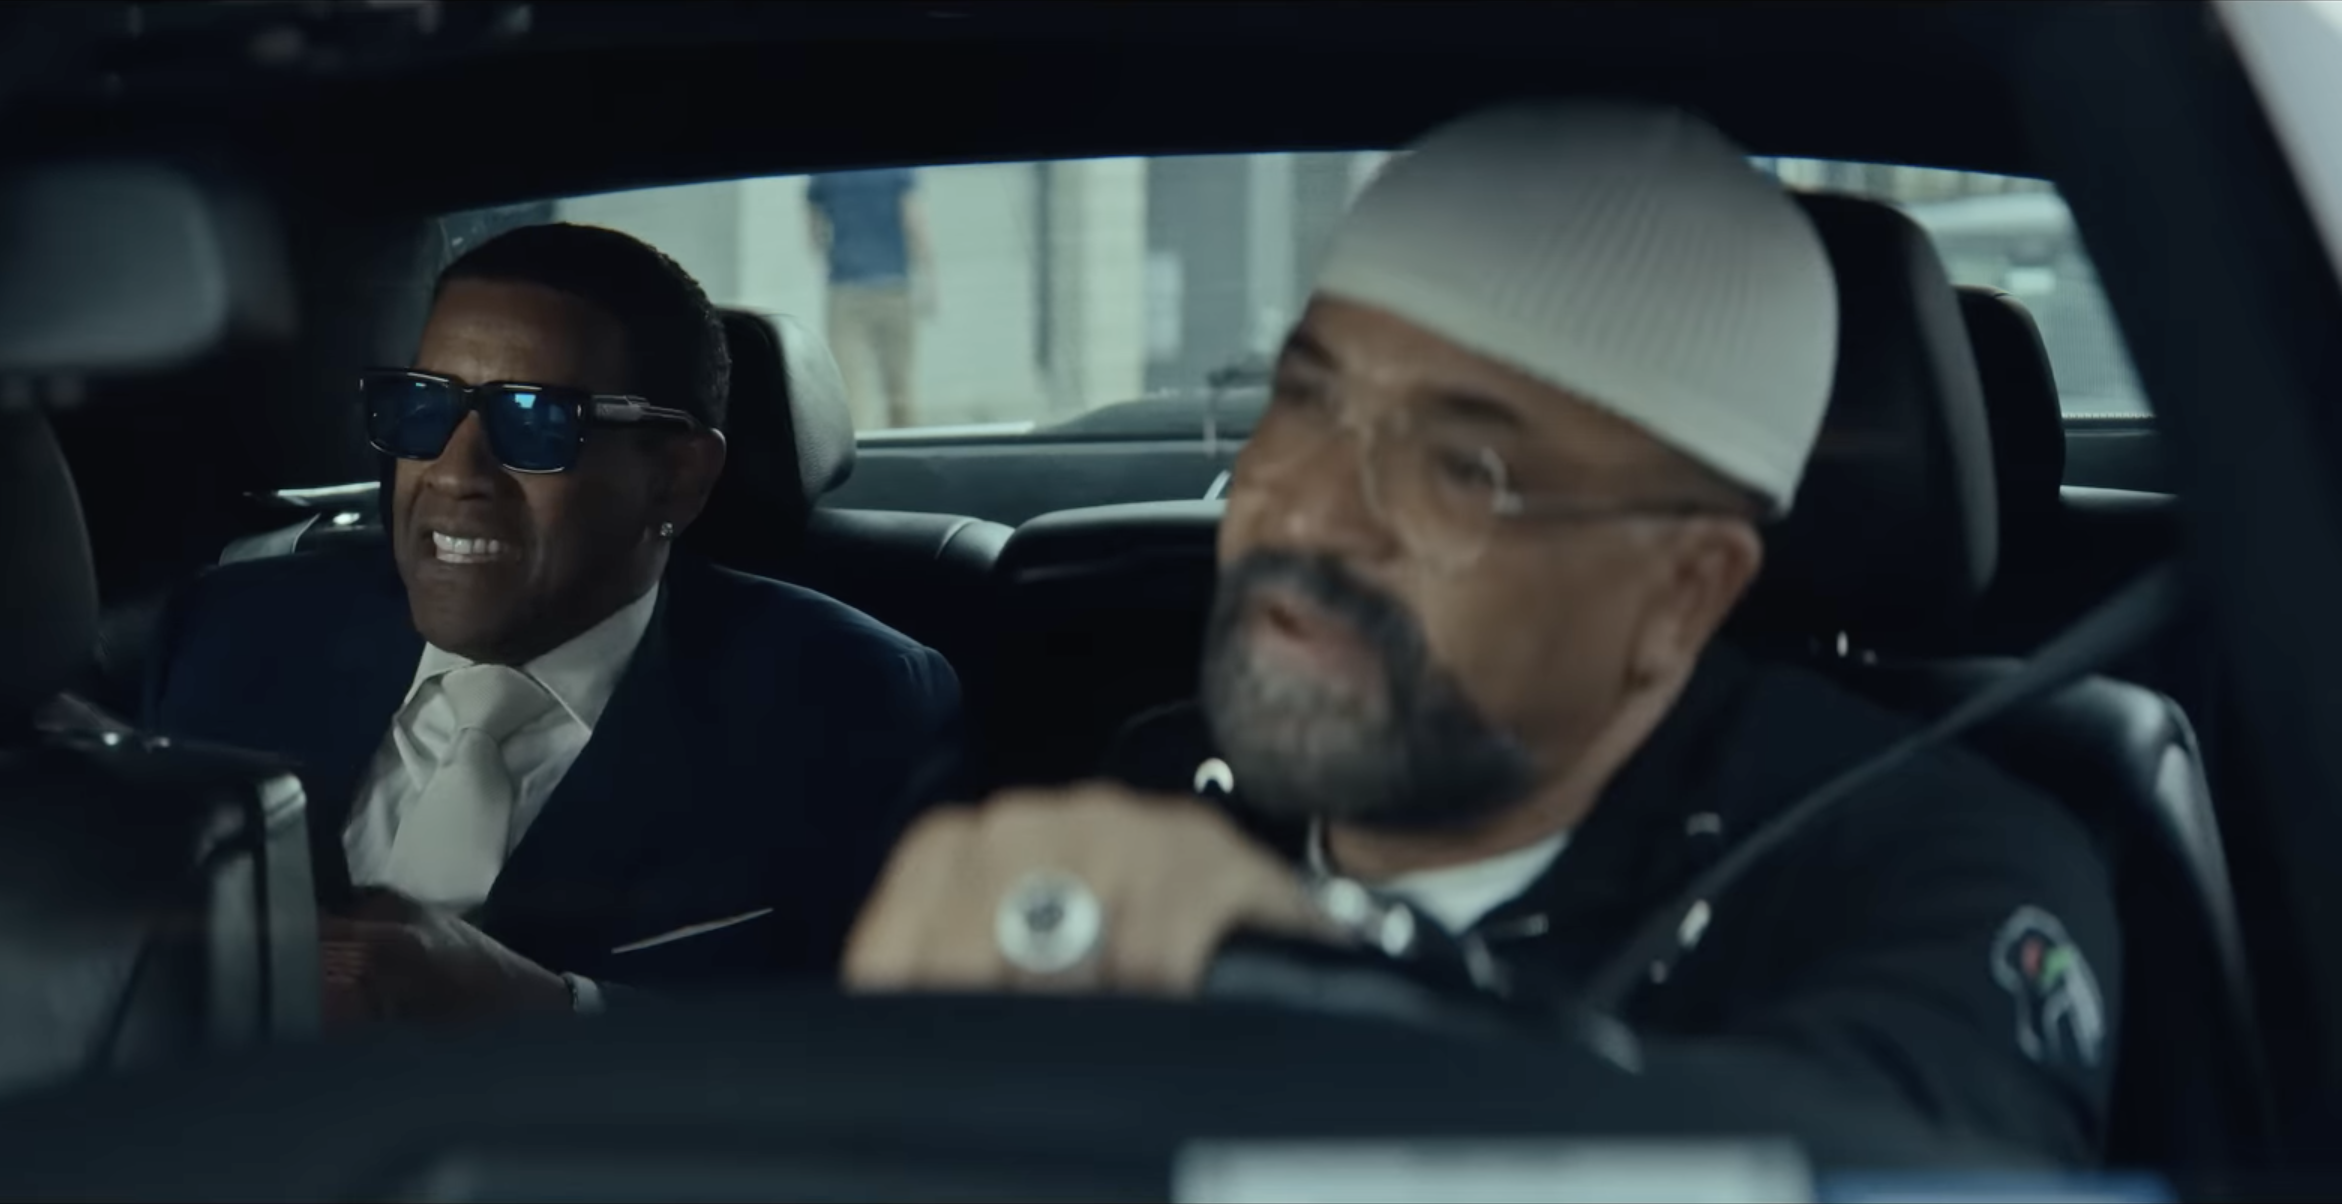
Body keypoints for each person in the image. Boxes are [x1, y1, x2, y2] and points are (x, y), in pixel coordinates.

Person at [843, 102, 2121, 1161]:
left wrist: (1304, 978)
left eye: (1462, 468)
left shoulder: (1945, 863)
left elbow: (1895, 1169)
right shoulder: (1145, 794)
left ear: (1682, 592)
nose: (1305, 509)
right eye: (1304, 401)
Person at [148, 223, 964, 1020]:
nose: (454, 474)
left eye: (532, 422)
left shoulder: (849, 703)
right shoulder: (234, 636)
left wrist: (548, 1010)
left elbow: (880, 1056)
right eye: (421, 408)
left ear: (676, 478)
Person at [806, 167, 928, 430]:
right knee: (900, 390)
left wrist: (833, 258)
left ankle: (858, 451)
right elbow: (913, 221)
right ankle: (905, 446)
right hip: (894, 284)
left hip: (846, 287)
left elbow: (815, 230)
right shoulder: (898, 167)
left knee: (850, 389)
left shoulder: (824, 171)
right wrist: (928, 278)